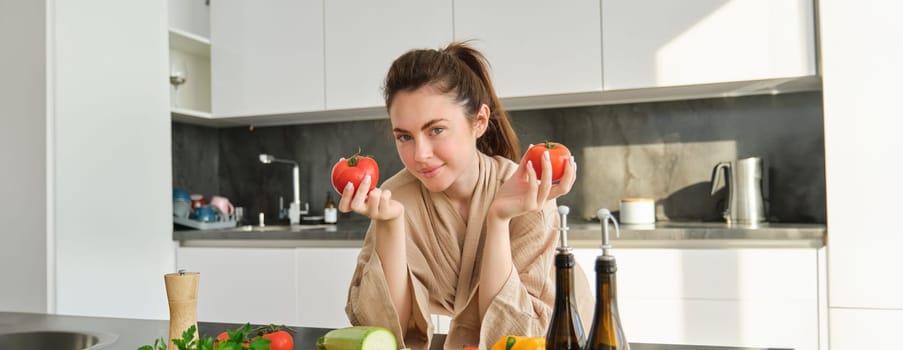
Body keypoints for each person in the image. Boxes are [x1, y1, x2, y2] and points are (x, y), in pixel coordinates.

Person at [339, 41, 593, 349]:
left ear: (479, 122)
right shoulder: (396, 198)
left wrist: (498, 218)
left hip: (567, 329)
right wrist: (390, 226)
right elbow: (385, 331)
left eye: (436, 130)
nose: (420, 155)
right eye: (404, 136)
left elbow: (515, 335)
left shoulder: (527, 194)